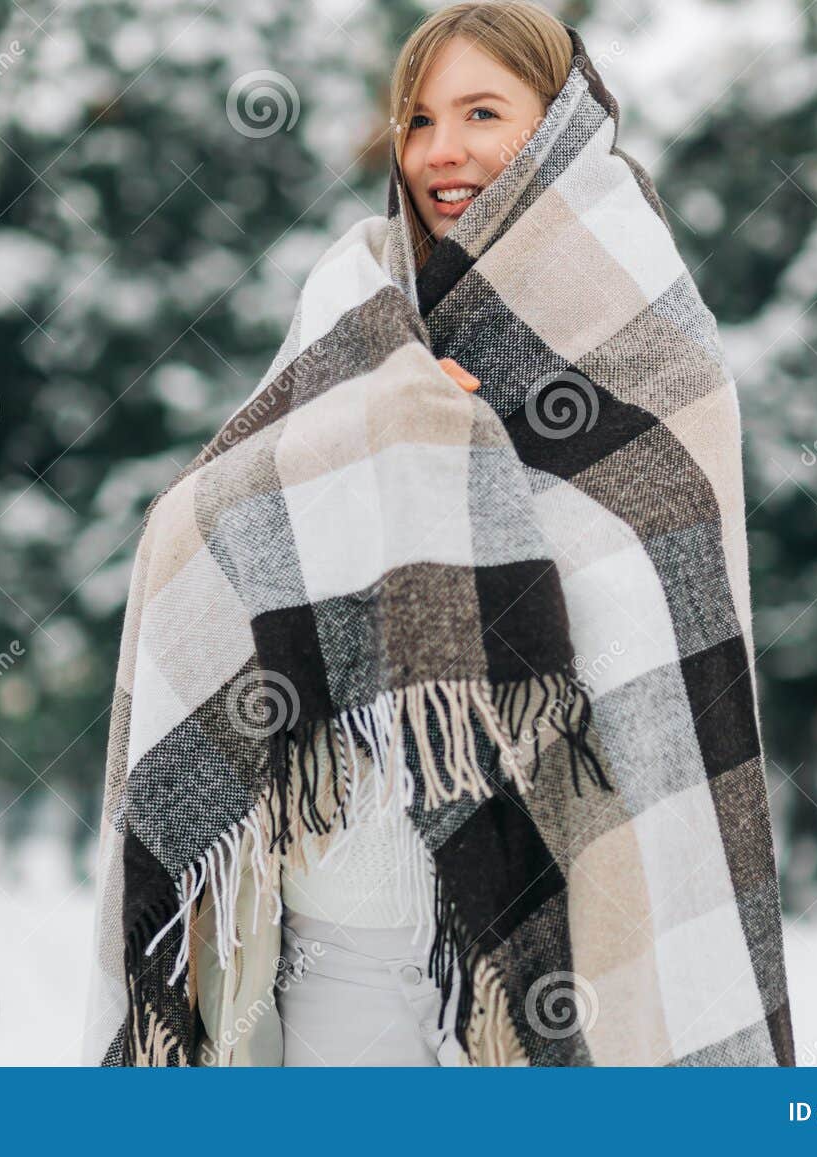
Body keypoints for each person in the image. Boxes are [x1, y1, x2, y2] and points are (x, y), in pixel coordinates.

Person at [273, 0, 570, 1067]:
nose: (442, 152)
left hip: (566, 899)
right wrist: (379, 428)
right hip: (353, 897)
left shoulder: (645, 329)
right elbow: (214, 524)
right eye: (418, 119)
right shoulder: (350, 295)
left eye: (482, 112)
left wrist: (477, 453)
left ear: (561, 123)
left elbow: (662, 613)